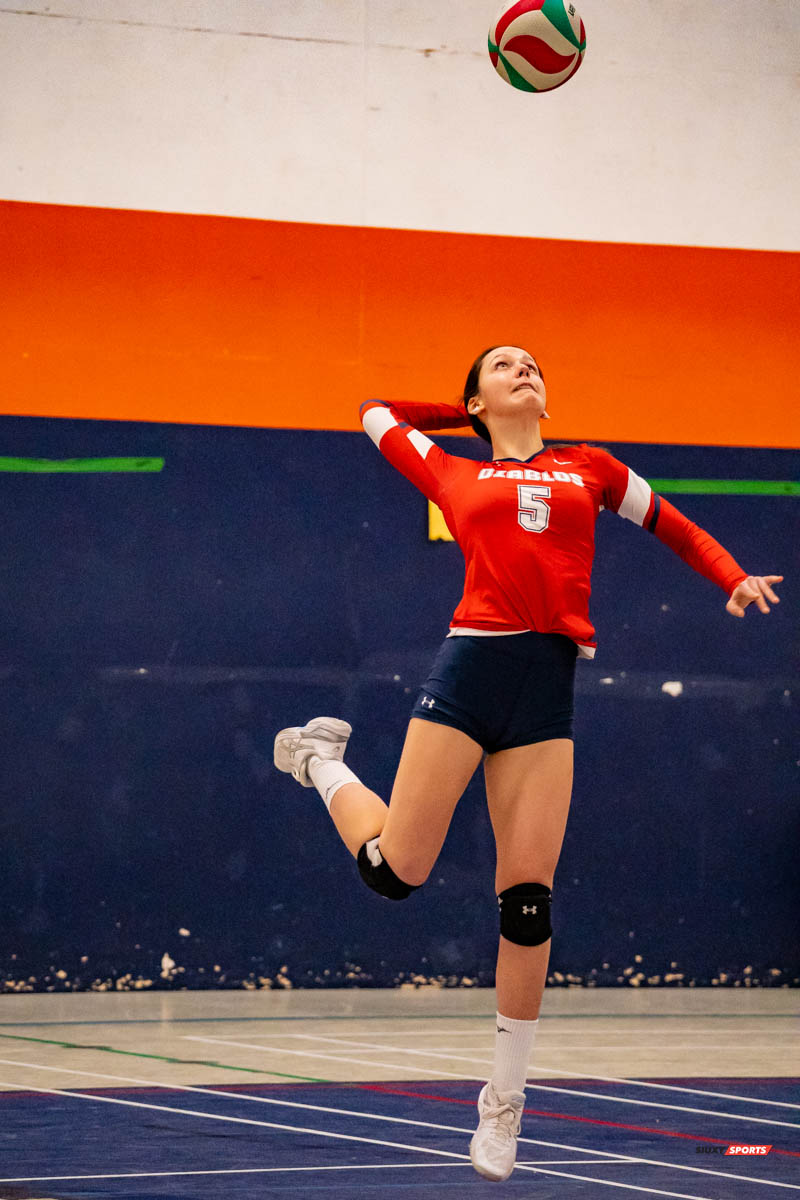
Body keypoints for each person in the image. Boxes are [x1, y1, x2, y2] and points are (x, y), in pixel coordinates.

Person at [273, 345, 782, 1182]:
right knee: (397, 872)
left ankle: (504, 1103)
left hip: (547, 692)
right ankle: (324, 764)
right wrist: (462, 413)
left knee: (529, 905)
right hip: (469, 673)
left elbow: (673, 525)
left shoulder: (590, 469)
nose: (525, 367)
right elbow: (373, 413)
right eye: (504, 365)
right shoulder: (453, 473)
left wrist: (727, 575)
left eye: (534, 363)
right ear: (476, 397)